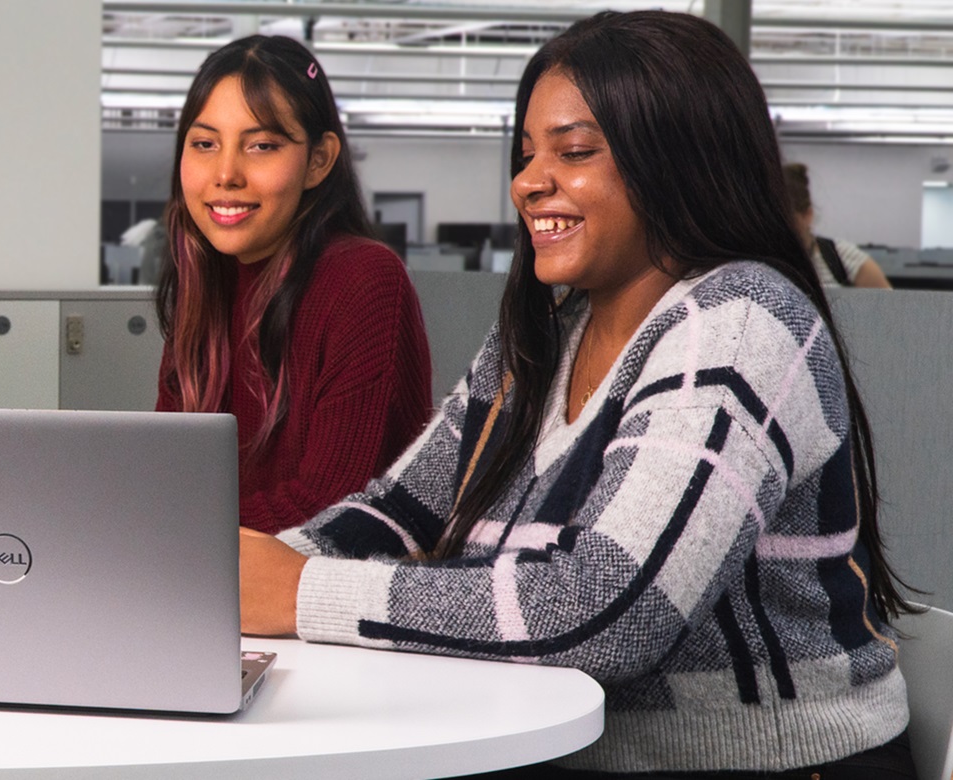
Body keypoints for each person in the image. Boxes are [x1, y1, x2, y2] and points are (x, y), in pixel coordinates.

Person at [238, 11, 917, 777]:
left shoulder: (740, 324)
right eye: (527, 154)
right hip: (560, 751)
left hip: (763, 766)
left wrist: (302, 591)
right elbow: (401, 512)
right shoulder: (550, 333)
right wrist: (229, 582)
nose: (528, 182)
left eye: (575, 152)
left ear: (678, 159)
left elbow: (608, 612)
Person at [155, 35, 432, 535]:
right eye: (204, 143)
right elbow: (171, 477)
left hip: (316, 597)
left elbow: (328, 507)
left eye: (261, 145)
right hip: (216, 581)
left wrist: (166, 530)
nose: (225, 173)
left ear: (320, 160)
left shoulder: (364, 281)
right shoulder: (205, 280)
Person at [785, 162, 894, 289]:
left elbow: (890, 307)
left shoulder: (843, 257)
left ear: (808, 215)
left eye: (788, 219)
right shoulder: (765, 264)